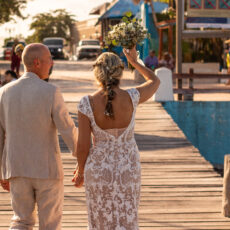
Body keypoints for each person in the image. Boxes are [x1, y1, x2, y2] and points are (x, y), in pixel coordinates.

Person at [72, 47, 160, 229]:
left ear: (96, 73)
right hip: (128, 167)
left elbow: (83, 147)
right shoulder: (132, 96)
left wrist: (80, 172)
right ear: (120, 72)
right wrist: (135, 62)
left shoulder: (87, 103)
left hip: (98, 170)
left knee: (100, 220)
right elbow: (155, 80)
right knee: (127, 218)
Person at [0, 43, 78, 229]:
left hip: (16, 169)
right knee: (50, 224)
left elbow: (1, 134)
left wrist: (2, 170)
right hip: (47, 170)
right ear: (36, 62)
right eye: (49, 59)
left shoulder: (4, 92)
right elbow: (68, 130)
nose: (51, 63)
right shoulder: (50, 92)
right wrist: (83, 160)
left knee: (21, 221)